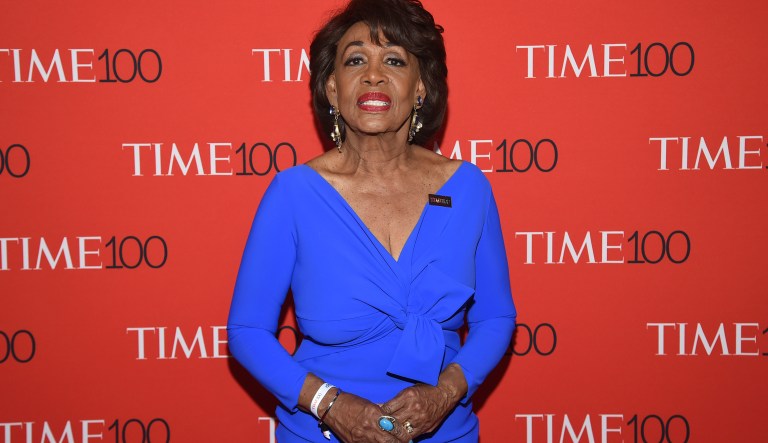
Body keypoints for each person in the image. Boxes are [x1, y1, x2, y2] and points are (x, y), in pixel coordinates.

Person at [227, 0, 517, 441]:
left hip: (445, 432)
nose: (373, 75)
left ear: (421, 87)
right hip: (319, 432)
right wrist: (329, 404)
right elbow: (248, 331)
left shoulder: (468, 187)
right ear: (331, 88)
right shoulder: (293, 194)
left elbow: (495, 318)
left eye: (395, 60)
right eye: (356, 59)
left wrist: (444, 394)